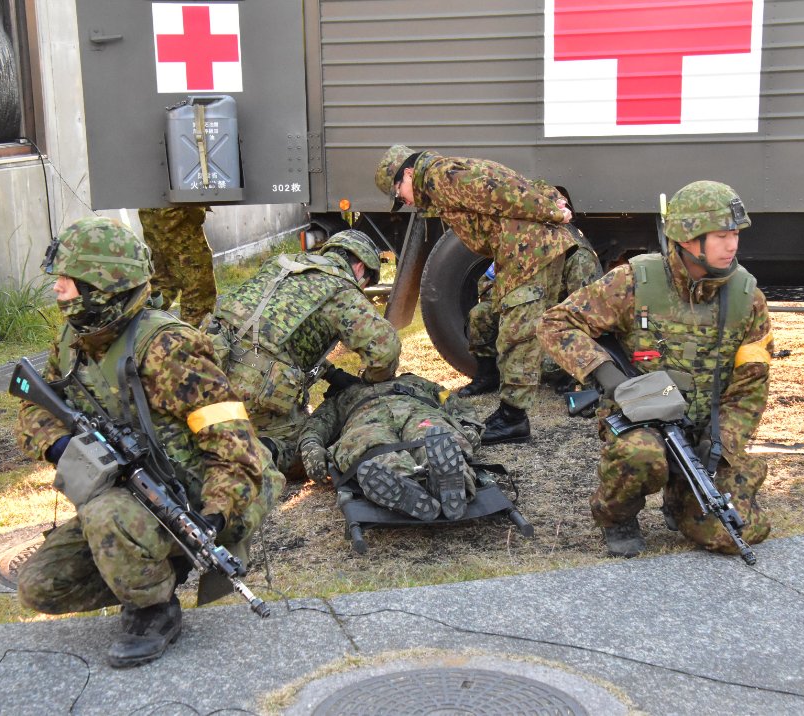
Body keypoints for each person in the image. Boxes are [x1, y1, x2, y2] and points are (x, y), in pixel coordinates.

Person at [15, 217, 283, 668]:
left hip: (198, 494)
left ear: (102, 286)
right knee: (41, 586)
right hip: (127, 495)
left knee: (104, 514)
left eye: (67, 279)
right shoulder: (74, 339)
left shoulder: (167, 348)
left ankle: (153, 610)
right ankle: (154, 565)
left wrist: (214, 516)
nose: (58, 288)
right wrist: (63, 448)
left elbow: (234, 444)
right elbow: (34, 406)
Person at [538, 180, 773, 558]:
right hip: (641, 422)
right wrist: (606, 374)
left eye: (735, 235)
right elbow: (555, 324)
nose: (732, 245)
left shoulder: (748, 299)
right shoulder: (634, 282)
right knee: (641, 455)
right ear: (687, 238)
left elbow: (751, 387)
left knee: (736, 533)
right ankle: (616, 516)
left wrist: (721, 442)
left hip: (704, 432)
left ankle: (680, 501)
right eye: (721, 236)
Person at [375, 145, 577, 445]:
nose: (404, 201)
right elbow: (513, 181)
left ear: (408, 173)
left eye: (399, 193)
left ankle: (513, 419)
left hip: (529, 250)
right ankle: (502, 392)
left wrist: (552, 211)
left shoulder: (439, 177)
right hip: (527, 249)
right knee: (514, 323)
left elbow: (502, 192)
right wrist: (551, 199)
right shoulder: (447, 174)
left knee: (518, 332)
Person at [205, 229, 401, 479]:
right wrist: (370, 381)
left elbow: (275, 336)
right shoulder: (340, 288)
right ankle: (252, 452)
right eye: (367, 283)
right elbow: (386, 351)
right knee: (309, 448)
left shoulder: (281, 264)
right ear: (360, 267)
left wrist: (332, 374)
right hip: (254, 392)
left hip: (211, 372)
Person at [298, 373, 483, 520]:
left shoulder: (414, 380)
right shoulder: (340, 396)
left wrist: (468, 424)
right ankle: (411, 486)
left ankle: (440, 483)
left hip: (417, 411)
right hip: (366, 422)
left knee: (434, 437)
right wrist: (310, 447)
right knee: (370, 449)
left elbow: (450, 399)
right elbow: (317, 423)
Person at [461, 230, 603, 396]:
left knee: (544, 365)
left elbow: (583, 313)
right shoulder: (520, 247)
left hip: (553, 326)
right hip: (521, 315)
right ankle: (488, 375)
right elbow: (487, 287)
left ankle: (568, 376)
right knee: (480, 313)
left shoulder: (577, 257)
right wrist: (515, 305)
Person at [138, 206, 217, 328]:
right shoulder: (177, 193)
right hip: (189, 256)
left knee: (157, 299)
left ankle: (139, 330)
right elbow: (198, 216)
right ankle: (188, 338)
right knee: (197, 307)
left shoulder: (147, 196)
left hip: (162, 255)